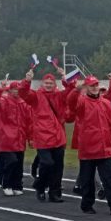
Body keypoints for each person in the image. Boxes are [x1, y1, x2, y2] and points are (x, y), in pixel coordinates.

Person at [66, 74, 111, 215]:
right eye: (91, 85)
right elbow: (71, 103)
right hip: (88, 149)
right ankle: (87, 205)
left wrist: (110, 142)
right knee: (87, 181)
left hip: (104, 148)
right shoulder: (81, 102)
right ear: (86, 87)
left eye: (96, 85)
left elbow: (110, 123)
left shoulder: (104, 102)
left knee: (110, 178)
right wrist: (76, 90)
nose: (94, 88)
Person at [19, 68, 74, 202]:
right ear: (42, 84)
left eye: (51, 83)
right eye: (46, 83)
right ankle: (40, 185)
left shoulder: (59, 96)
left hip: (58, 137)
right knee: (47, 163)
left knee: (58, 168)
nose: (48, 85)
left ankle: (54, 193)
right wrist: (27, 80)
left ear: (55, 84)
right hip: (43, 137)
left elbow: (71, 91)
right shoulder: (36, 96)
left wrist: (65, 78)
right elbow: (23, 93)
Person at [0, 81, 30, 196]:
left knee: (19, 164)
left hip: (19, 137)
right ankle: (6, 183)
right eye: (14, 89)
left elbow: (28, 120)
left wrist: (30, 136)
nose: (16, 91)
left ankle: (17, 185)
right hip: (6, 137)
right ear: (10, 90)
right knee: (11, 161)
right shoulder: (4, 100)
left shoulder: (23, 103)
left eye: (18, 89)